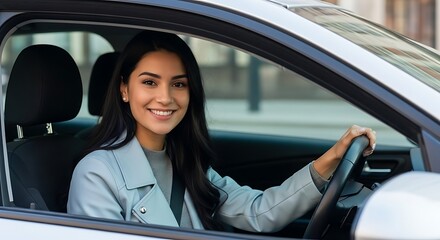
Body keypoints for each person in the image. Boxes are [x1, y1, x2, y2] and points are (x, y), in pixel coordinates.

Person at [67, 30, 376, 232]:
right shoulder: (97, 173)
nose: (165, 97)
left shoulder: (186, 162)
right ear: (124, 89)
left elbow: (259, 212)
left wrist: (334, 157)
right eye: (149, 82)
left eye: (178, 84)